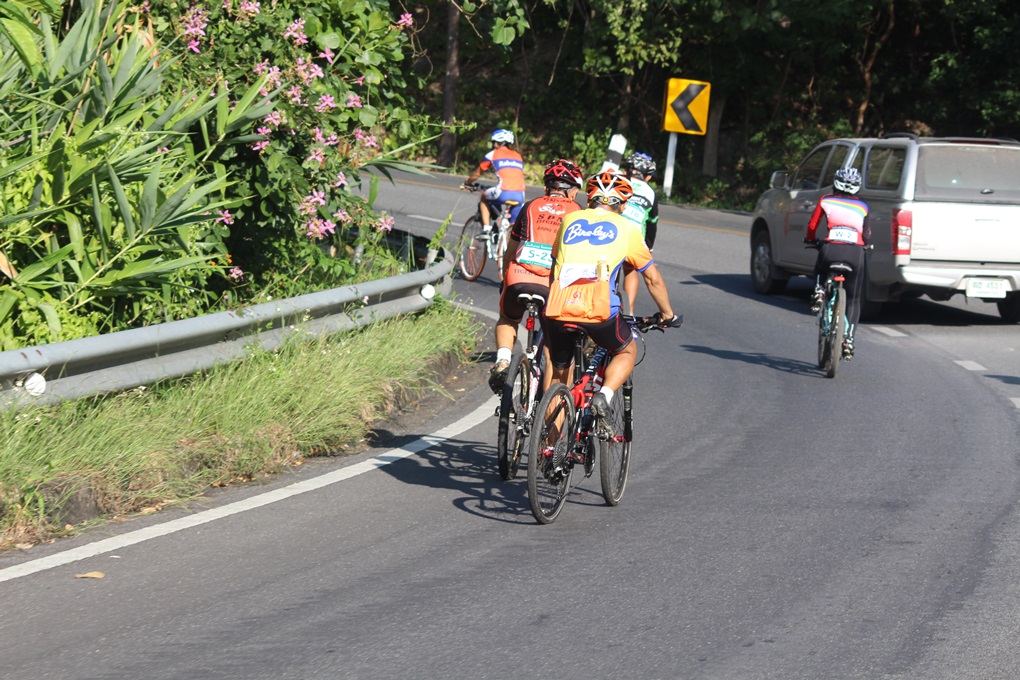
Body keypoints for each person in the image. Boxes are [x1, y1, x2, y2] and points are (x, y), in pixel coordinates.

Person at [542, 171, 681, 436]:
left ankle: (548, 448)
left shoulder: (570, 219)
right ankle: (603, 396)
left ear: (589, 200)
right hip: (599, 310)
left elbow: (555, 263)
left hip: (559, 307)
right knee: (627, 351)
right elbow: (652, 279)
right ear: (623, 205)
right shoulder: (627, 229)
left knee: (559, 378)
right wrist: (667, 314)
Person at [488, 159, 585, 393]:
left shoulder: (530, 206)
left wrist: (505, 279)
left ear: (546, 188)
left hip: (519, 276)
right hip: (552, 284)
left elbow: (511, 249)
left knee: (508, 318)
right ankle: (547, 405)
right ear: (573, 191)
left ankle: (503, 360)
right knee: (553, 349)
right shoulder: (578, 212)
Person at [804, 167, 870, 360]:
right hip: (855, 254)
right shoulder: (863, 206)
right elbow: (866, 234)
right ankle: (848, 339)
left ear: (835, 182)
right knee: (854, 299)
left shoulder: (826, 200)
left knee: (820, 266)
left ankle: (819, 290)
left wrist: (810, 239)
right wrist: (865, 246)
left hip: (830, 250)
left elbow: (812, 225)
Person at [618, 152, 660, 312]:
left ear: (627, 170)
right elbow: (652, 224)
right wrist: (649, 247)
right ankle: (629, 311)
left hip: (611, 231)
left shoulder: (618, 181)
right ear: (648, 176)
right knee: (630, 269)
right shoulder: (650, 193)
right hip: (634, 238)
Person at [461, 129, 527, 231]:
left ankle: (486, 229)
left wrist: (467, 182)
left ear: (497, 143)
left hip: (503, 192)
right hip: (520, 194)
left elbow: (477, 173)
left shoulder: (493, 154)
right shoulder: (518, 156)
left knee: (484, 197)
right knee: (513, 229)